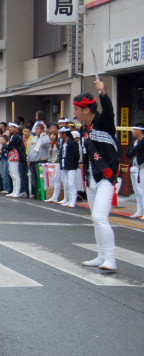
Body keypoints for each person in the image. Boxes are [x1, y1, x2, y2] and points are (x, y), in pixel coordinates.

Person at [74, 80, 119, 271]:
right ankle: (101, 256)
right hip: (91, 177)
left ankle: (111, 259)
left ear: (86, 110)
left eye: (77, 109)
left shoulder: (104, 122)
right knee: (95, 219)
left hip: (106, 176)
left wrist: (102, 92)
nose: (75, 112)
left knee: (100, 217)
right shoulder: (84, 129)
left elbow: (109, 111)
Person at [57, 127, 80, 208]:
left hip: (71, 166)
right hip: (64, 164)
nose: (60, 135)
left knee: (71, 183)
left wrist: (74, 163)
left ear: (64, 134)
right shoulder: (64, 142)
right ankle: (67, 198)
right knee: (66, 183)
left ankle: (73, 200)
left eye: (60, 133)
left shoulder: (72, 143)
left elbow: (76, 155)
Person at [26, 123, 50, 198]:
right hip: (32, 161)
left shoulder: (45, 137)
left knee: (40, 178)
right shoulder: (34, 138)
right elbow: (30, 149)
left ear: (42, 130)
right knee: (33, 178)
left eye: (38, 129)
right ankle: (35, 192)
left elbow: (45, 143)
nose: (36, 131)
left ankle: (40, 192)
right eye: (35, 129)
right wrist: (28, 159)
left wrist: (42, 135)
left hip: (41, 160)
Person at [127, 123, 144, 219]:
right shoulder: (135, 141)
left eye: (135, 130)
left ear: (140, 130)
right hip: (134, 167)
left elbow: (133, 151)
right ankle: (139, 210)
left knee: (142, 190)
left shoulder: (143, 141)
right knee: (137, 190)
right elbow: (128, 153)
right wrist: (133, 152)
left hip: (141, 167)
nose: (133, 131)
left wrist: (133, 152)